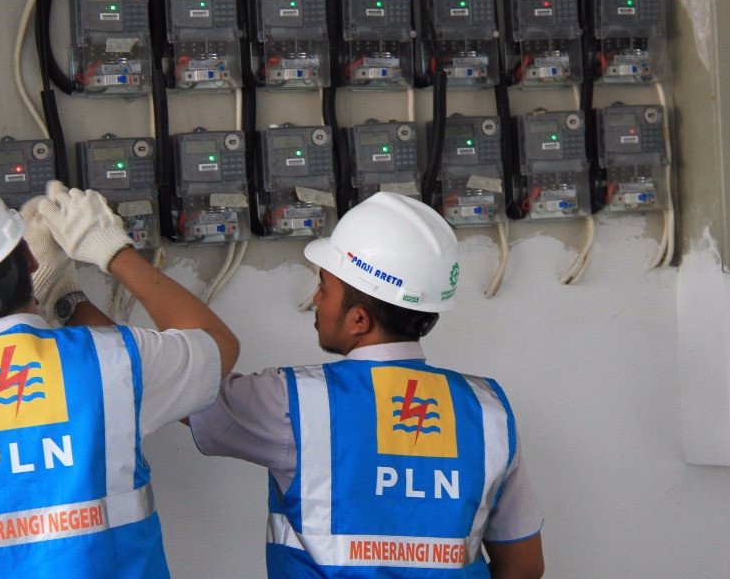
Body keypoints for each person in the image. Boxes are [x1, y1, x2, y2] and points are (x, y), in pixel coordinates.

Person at [0, 175, 237, 578]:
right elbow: (218, 345)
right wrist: (113, 251)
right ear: (30, 259)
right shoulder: (115, 362)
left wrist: (63, 299)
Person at [189, 191, 544, 577]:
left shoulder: (291, 402)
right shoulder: (488, 411)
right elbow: (524, 567)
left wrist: (135, 268)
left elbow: (183, 381)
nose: (316, 299)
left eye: (324, 287)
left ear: (359, 320)